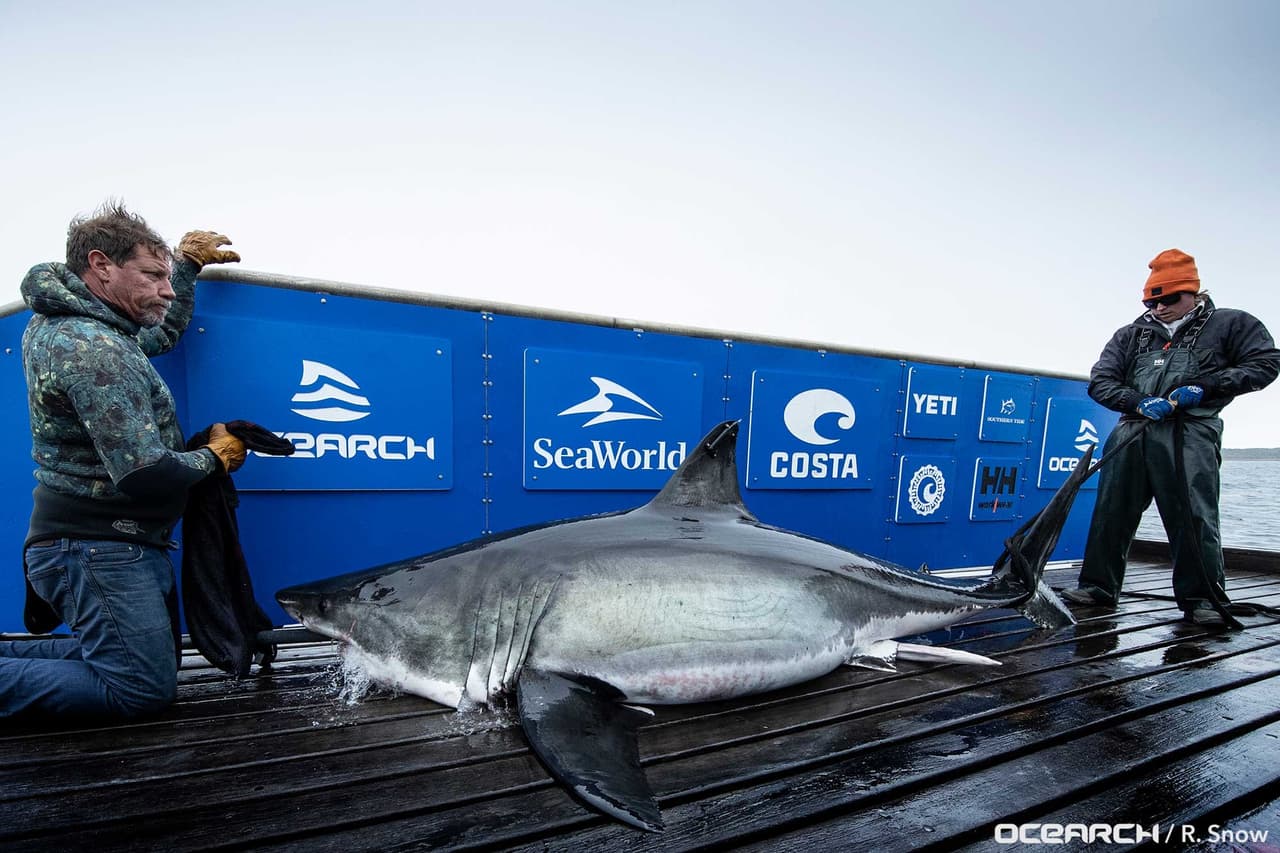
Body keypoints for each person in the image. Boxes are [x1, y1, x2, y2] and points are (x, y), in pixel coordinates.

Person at [1, 202, 247, 719]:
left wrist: (184, 266)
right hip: (96, 548)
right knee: (138, 688)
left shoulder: (86, 325)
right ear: (101, 265)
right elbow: (144, 473)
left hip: (99, 542)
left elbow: (159, 334)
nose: (167, 290)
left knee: (137, 665)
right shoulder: (90, 347)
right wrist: (214, 458)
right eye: (153, 275)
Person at [1063, 249, 1280, 626]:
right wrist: (1137, 400)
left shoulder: (1231, 324)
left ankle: (1202, 598)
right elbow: (1102, 381)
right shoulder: (1131, 335)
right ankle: (1098, 587)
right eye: (1151, 300)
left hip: (1190, 433)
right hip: (1133, 429)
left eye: (1167, 299)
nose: (1159, 307)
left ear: (1192, 293)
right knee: (1111, 511)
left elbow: (1265, 362)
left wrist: (1207, 387)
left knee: (1193, 516)